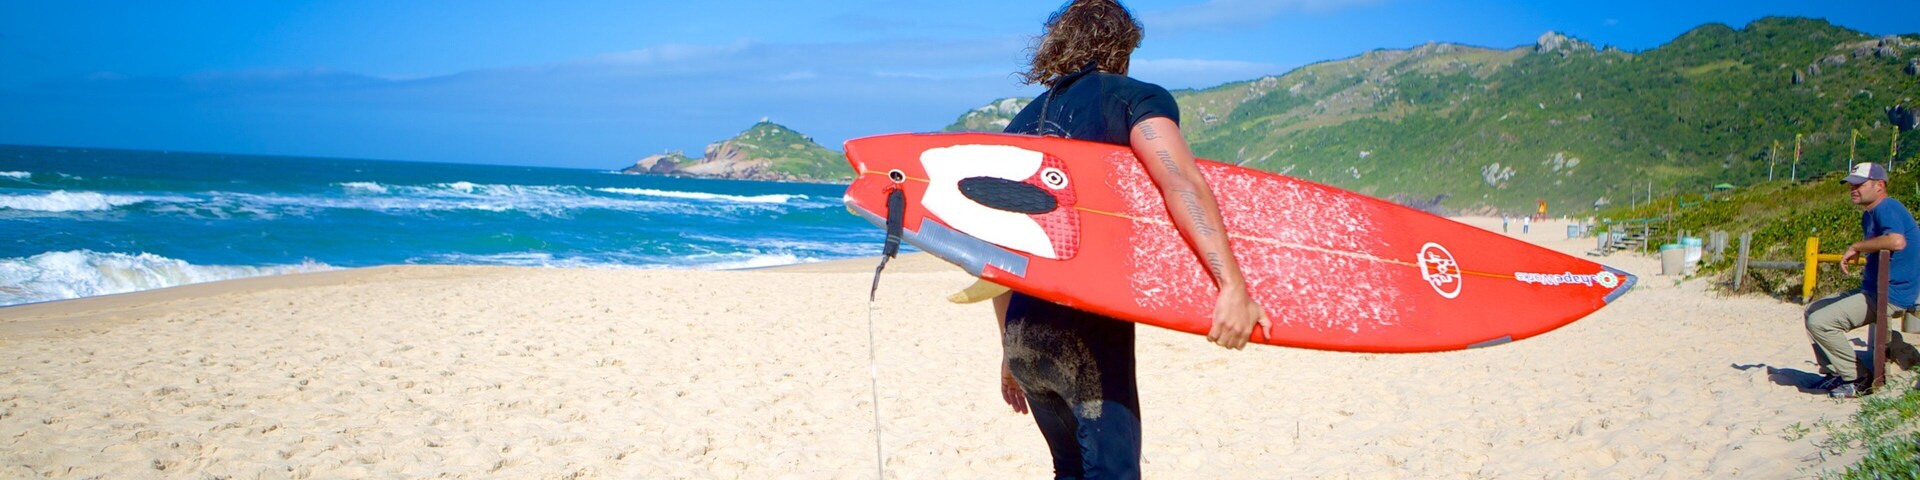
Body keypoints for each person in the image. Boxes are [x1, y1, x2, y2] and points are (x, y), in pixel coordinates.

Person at [991, 1, 1270, 477]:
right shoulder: (1130, 97)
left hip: (1023, 328)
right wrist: (1232, 286)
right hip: (1088, 323)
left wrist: (1007, 350)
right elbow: (1180, 180)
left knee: (1068, 469)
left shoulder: (1019, 126)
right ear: (1122, 47)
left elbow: (999, 247)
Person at [1804, 162, 1920, 398]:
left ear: (1880, 185)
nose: (1853, 189)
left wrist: (1857, 246)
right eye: (1851, 185)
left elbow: (1897, 241)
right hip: (1873, 290)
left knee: (1820, 322)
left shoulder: (1887, 207)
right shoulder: (1870, 215)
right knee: (1812, 310)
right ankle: (1836, 371)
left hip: (1889, 295)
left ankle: (1858, 379)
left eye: (1859, 184)